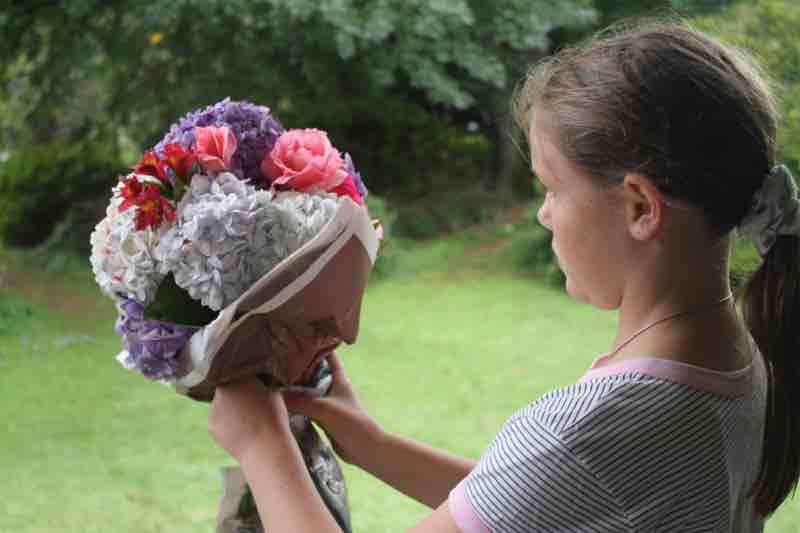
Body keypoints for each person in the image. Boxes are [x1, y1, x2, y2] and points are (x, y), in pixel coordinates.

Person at [208, 19, 800, 532]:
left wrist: (263, 445)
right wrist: (374, 446)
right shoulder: (741, 360)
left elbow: (567, 472)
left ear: (641, 207)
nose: (544, 213)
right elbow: (548, 502)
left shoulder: (598, 426)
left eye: (553, 187)